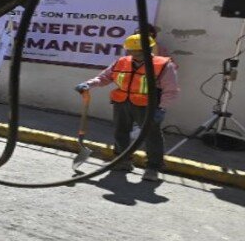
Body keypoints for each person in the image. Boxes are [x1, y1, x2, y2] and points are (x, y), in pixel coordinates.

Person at [75, 34, 179, 182]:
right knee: (120, 132)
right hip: (122, 102)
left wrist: (161, 109)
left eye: (138, 51)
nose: (134, 54)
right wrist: (89, 84)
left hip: (147, 106)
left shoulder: (163, 65)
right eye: (131, 51)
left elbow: (171, 90)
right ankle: (122, 161)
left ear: (148, 49)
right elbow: (104, 77)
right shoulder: (122, 62)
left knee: (151, 136)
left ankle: (153, 168)